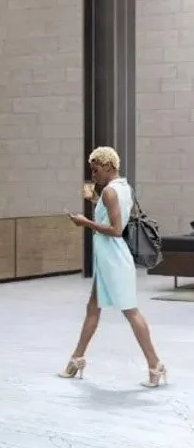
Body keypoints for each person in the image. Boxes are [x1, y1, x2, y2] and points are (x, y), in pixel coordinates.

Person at [60, 146, 167, 387]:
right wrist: (90, 196)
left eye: (95, 169)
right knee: (93, 308)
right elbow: (108, 209)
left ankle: (155, 364)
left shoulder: (110, 191)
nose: (93, 174)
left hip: (114, 259)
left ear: (108, 166)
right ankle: (77, 358)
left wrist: (85, 222)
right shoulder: (122, 187)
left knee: (131, 311)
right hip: (108, 259)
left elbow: (116, 230)